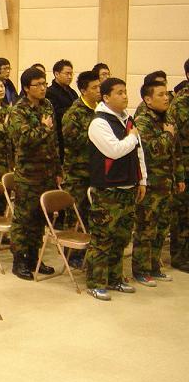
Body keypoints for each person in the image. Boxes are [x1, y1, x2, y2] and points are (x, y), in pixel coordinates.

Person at [86, 77, 147, 300]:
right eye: (119, 92)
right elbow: (114, 150)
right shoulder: (99, 123)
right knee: (103, 239)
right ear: (106, 97)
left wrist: (142, 181)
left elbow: (138, 152)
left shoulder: (126, 119)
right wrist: (132, 137)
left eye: (125, 91)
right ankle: (96, 282)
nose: (124, 96)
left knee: (121, 238)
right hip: (108, 190)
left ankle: (115, 278)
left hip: (128, 186)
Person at [6, 67, 62, 280]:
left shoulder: (47, 105)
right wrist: (43, 128)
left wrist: (58, 169)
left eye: (44, 83)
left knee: (40, 218)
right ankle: (19, 259)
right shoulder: (18, 111)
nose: (42, 88)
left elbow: (53, 140)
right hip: (28, 174)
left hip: (47, 172)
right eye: (37, 84)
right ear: (27, 88)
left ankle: (34, 257)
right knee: (24, 218)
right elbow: (22, 140)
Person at [132, 80, 181, 287]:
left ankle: (154, 266)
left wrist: (179, 178)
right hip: (150, 184)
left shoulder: (168, 118)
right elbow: (151, 151)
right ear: (148, 99)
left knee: (162, 227)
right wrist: (168, 134)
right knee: (146, 228)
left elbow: (175, 153)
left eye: (166, 94)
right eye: (160, 95)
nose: (166, 97)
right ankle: (140, 270)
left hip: (166, 183)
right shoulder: (143, 121)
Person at [61, 71, 101, 235]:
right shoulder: (74, 113)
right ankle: (71, 254)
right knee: (75, 214)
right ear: (84, 90)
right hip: (77, 172)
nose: (99, 90)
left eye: (99, 86)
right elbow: (72, 141)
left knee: (92, 214)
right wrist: (97, 137)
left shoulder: (100, 110)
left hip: (95, 170)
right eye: (94, 87)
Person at [167, 75, 189, 272]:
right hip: (183, 165)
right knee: (182, 214)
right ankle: (179, 256)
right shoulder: (180, 104)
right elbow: (176, 141)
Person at [46, 59, 78, 164]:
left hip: (72, 137)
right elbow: (56, 113)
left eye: (71, 74)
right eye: (67, 73)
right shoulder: (50, 92)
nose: (70, 77)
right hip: (59, 137)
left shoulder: (72, 92)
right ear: (56, 74)